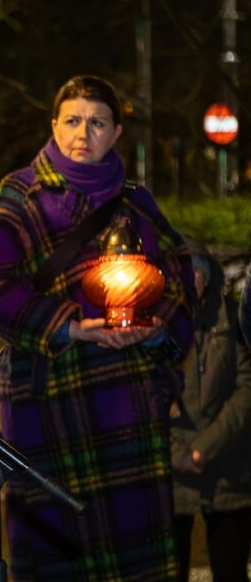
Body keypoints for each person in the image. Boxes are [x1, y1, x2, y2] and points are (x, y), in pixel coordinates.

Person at [0, 75, 196, 581]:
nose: (83, 132)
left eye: (97, 122)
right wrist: (70, 327)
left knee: (132, 556)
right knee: (60, 553)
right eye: (72, 120)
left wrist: (156, 330)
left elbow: (181, 276)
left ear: (117, 132)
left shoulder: (138, 201)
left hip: (129, 403)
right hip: (51, 403)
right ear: (54, 125)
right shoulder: (20, 196)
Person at [171, 237, 251, 582]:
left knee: (230, 569)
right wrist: (177, 453)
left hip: (229, 474)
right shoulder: (152, 328)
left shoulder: (234, 321)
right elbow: (144, 396)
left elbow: (246, 390)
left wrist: (205, 448)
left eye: (195, 270)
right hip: (171, 477)